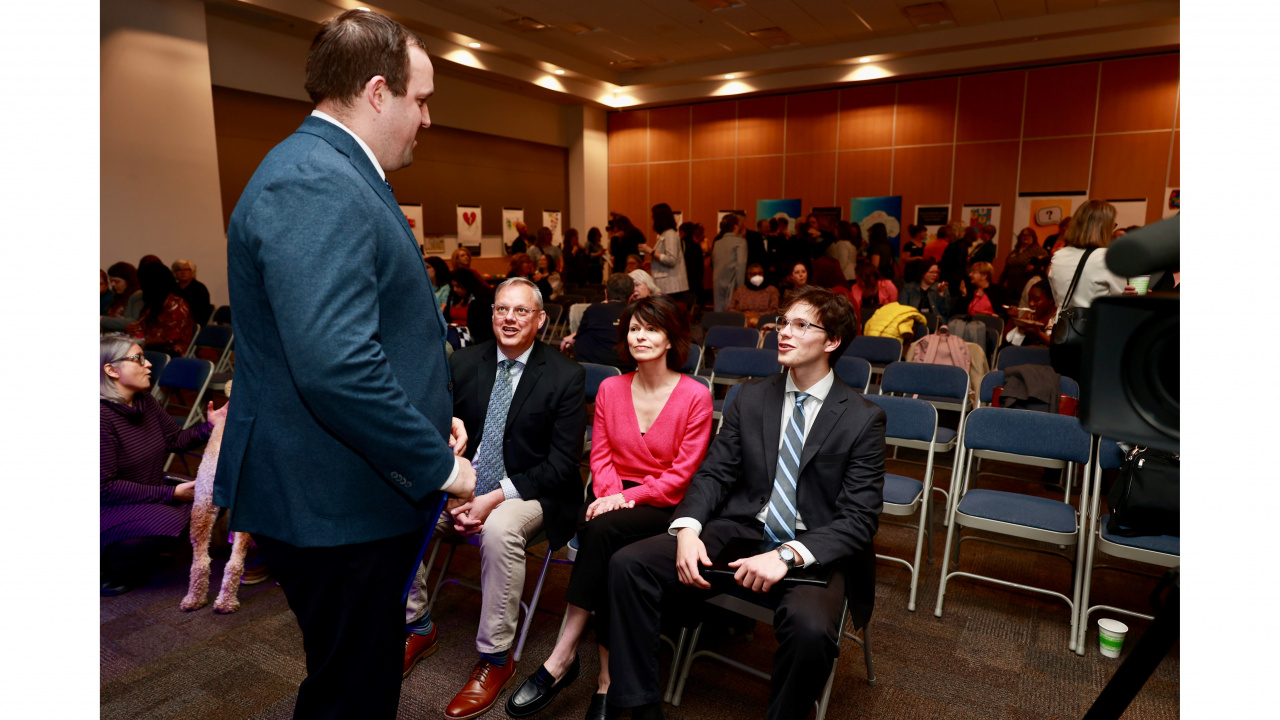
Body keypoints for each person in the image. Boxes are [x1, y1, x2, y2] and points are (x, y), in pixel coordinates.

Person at [212, 11, 476, 719]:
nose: (426, 119)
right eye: (422, 100)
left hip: (345, 487)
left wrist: (428, 412)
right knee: (351, 691)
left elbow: (370, 332)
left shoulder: (330, 170)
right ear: (379, 91)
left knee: (355, 675)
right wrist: (439, 462)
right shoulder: (316, 181)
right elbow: (335, 367)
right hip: (332, 499)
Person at [607, 285, 885, 720]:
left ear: (831, 341)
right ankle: (640, 707)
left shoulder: (861, 417)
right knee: (629, 564)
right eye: (782, 323)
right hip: (744, 529)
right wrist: (687, 529)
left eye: (800, 325)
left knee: (811, 630)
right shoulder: (751, 397)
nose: (784, 333)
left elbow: (859, 519)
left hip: (813, 546)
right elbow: (715, 472)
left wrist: (787, 556)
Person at [508, 295, 713, 720]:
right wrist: (608, 495)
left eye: (652, 329)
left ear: (672, 337)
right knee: (609, 545)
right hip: (609, 494)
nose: (641, 336)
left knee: (602, 533)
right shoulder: (610, 388)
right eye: (634, 328)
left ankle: (562, 657)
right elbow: (599, 456)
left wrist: (622, 499)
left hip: (663, 502)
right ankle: (605, 678)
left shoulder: (696, 395)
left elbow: (680, 477)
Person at [403, 278, 586, 718]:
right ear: (491, 315)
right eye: (502, 309)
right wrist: (452, 485)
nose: (509, 318)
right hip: (465, 486)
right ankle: (416, 624)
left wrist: (492, 499)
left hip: (533, 491)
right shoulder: (464, 362)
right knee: (401, 505)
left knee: (501, 529)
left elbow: (562, 465)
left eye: (521, 311)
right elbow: (434, 428)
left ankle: (495, 658)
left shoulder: (566, 375)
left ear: (541, 320)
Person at [100, 335, 228, 595]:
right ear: (111, 370)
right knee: (173, 519)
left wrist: (210, 426)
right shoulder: (99, 417)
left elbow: (175, 439)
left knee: (216, 495)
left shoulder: (143, 401)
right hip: (108, 507)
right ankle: (109, 570)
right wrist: (170, 494)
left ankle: (138, 552)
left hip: (147, 492)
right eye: (138, 359)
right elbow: (104, 488)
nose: (148, 364)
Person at [1047, 200, 1130, 379]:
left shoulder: (1058, 256)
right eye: (1113, 225)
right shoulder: (1108, 257)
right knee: (1091, 398)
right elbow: (1120, 305)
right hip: (1096, 338)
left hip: (1063, 337)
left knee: (1066, 396)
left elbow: (1058, 300)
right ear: (1104, 226)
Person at [561, 273, 636, 370]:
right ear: (631, 296)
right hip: (623, 370)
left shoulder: (594, 309)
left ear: (605, 293)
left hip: (589, 369)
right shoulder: (634, 313)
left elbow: (580, 333)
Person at [127, 262, 195, 357]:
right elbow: (147, 327)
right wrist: (134, 329)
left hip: (169, 353)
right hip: (150, 348)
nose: (141, 288)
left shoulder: (176, 305)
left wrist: (140, 342)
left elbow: (169, 338)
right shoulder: (154, 301)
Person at [640, 203, 690, 306]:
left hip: (671, 285)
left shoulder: (670, 234)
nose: (652, 220)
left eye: (654, 217)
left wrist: (650, 251)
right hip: (668, 285)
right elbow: (665, 257)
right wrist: (651, 262)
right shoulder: (665, 234)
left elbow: (671, 260)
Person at [451, 267, 498, 345]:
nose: (454, 289)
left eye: (458, 286)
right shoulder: (454, 296)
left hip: (473, 337)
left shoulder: (481, 298)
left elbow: (479, 327)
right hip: (455, 332)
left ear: (466, 284)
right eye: (453, 286)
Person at [712, 214, 748, 312]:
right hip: (732, 282)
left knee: (719, 311)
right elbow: (741, 265)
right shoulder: (740, 242)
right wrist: (740, 287)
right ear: (735, 226)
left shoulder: (717, 243)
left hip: (717, 281)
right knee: (732, 311)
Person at [728, 263, 780, 327]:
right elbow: (730, 309)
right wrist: (744, 314)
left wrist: (756, 315)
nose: (757, 276)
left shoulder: (772, 290)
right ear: (748, 276)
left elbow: (775, 310)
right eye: (754, 274)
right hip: (742, 321)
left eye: (759, 273)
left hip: (764, 322)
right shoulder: (740, 291)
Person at [849, 261, 899, 326]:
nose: (857, 279)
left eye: (860, 277)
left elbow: (894, 307)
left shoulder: (887, 286)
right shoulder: (855, 288)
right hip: (863, 322)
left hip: (884, 321)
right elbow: (854, 310)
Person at [102, 261, 143, 332]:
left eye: (117, 282)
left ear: (129, 281)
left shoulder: (137, 295)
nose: (113, 285)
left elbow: (134, 322)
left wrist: (102, 319)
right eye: (111, 281)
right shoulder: (117, 296)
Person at [171, 258, 213, 325]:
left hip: (192, 323)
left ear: (192, 272)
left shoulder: (199, 288)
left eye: (186, 269)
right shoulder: (173, 288)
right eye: (179, 270)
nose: (183, 272)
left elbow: (202, 313)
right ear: (175, 273)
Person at [679, 221, 705, 309]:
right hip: (695, 280)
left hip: (683, 279)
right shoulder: (696, 246)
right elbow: (700, 267)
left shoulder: (681, 245)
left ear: (682, 232)